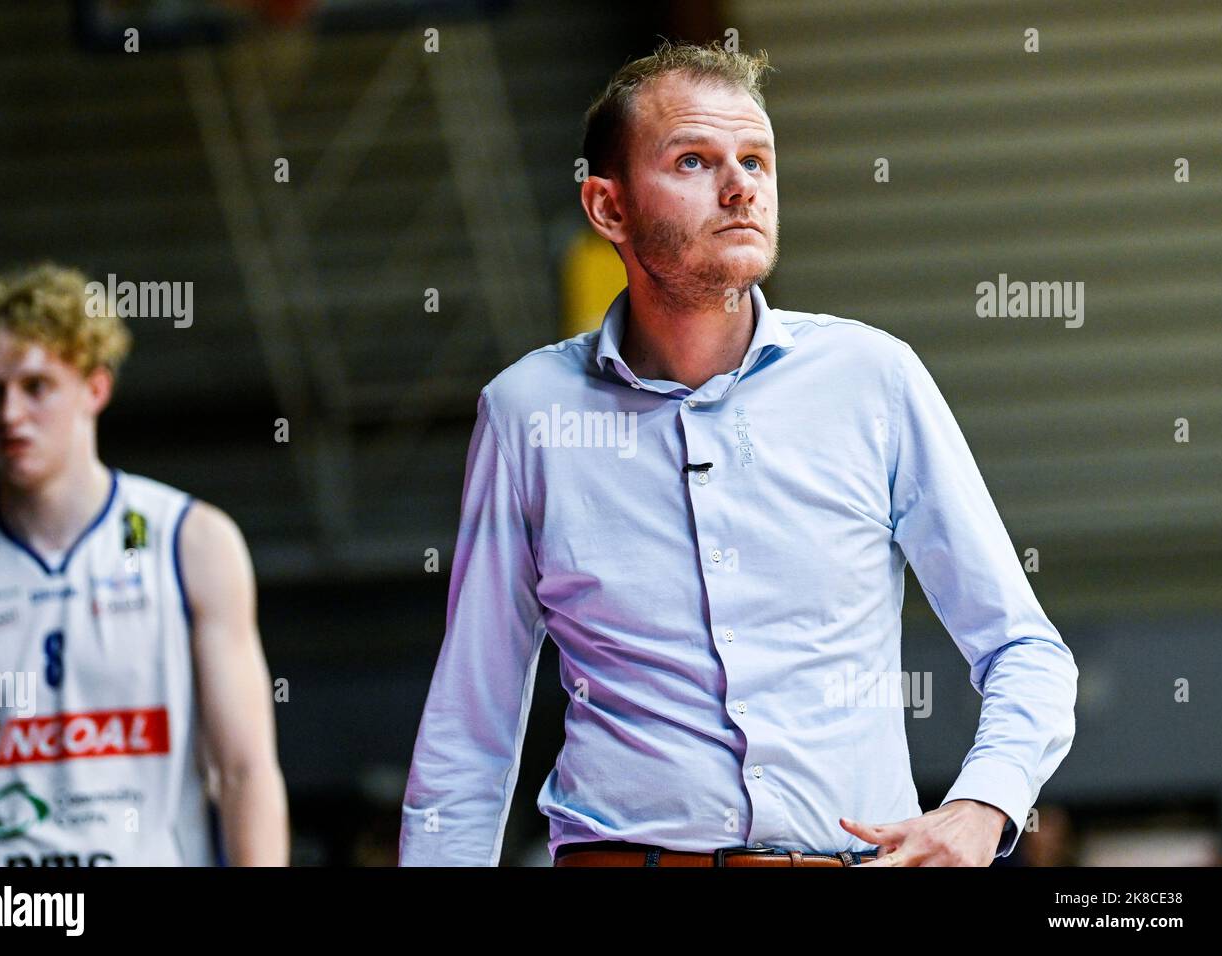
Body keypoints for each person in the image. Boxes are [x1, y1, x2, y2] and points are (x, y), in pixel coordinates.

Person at [398, 40, 1077, 868]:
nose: (740, 186)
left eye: (756, 159)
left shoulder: (873, 381)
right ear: (608, 208)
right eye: (694, 160)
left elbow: (1024, 650)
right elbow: (470, 730)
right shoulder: (527, 415)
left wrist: (983, 805)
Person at [0, 263, 289, 865]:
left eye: (36, 385)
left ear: (95, 389)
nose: (9, 414)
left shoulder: (191, 542)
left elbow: (244, 772)